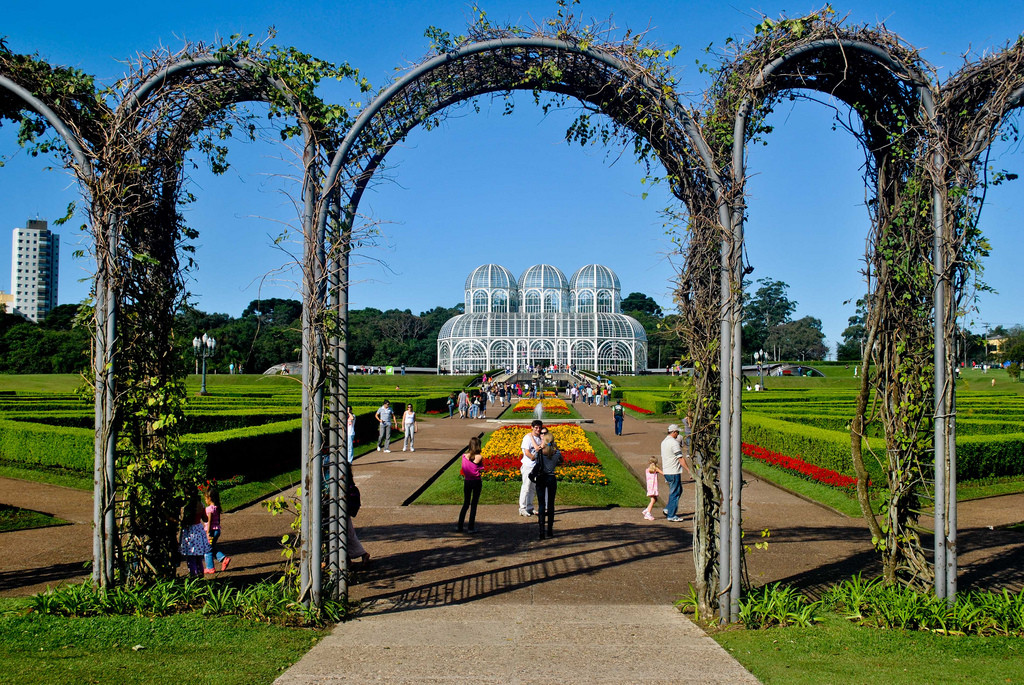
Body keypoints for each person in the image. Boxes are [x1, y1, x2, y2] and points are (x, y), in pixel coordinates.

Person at [535, 429, 563, 539]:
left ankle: (541, 531)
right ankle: (550, 530)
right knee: (551, 504)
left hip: (541, 477)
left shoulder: (540, 453)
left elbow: (534, 459)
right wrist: (555, 447)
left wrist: (541, 447)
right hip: (551, 478)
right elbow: (562, 460)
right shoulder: (556, 453)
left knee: (541, 504)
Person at [661, 423, 692, 522]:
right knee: (675, 493)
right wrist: (688, 470)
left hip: (667, 470)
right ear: (673, 432)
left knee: (678, 490)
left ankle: (668, 509)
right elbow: (680, 458)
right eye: (677, 432)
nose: (678, 435)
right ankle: (671, 514)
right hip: (673, 471)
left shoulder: (664, 442)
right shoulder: (674, 443)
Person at [179, 487, 210, 577]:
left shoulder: (187, 507)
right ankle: (201, 574)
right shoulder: (200, 504)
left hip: (190, 531)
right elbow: (205, 518)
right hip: (198, 529)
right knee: (198, 557)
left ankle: (193, 575)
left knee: (191, 556)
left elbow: (185, 521)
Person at [457, 436, 484, 532]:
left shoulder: (464, 456)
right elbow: (481, 468)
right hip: (476, 481)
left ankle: (460, 526)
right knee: (474, 504)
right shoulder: (479, 457)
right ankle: (471, 527)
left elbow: (464, 468)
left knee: (466, 503)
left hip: (467, 481)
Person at [203, 485, 230, 573]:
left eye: (206, 498)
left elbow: (209, 521)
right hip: (217, 530)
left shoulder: (209, 509)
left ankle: (210, 567)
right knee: (212, 547)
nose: (205, 500)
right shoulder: (216, 508)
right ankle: (223, 559)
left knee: (207, 549)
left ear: (209, 498)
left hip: (211, 531)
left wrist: (207, 533)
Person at [519, 420, 544, 516]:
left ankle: (529, 507)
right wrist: (532, 458)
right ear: (532, 427)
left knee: (533, 488)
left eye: (539, 428)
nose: (538, 429)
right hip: (528, 466)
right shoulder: (527, 438)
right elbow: (527, 451)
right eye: (536, 427)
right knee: (526, 487)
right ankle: (522, 508)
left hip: (536, 467)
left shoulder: (539, 438)